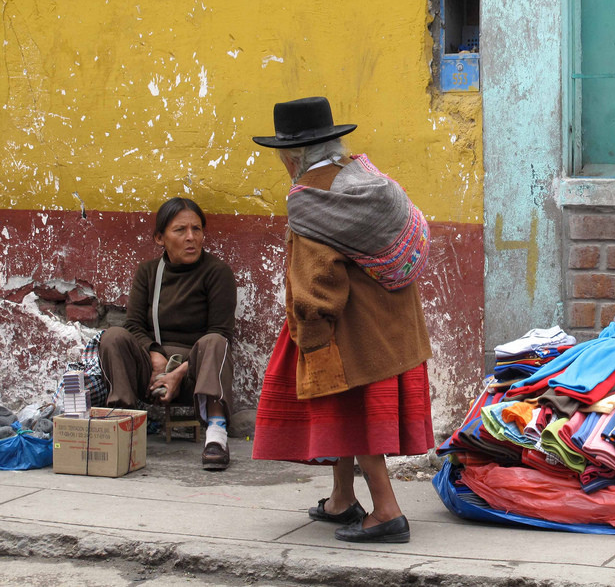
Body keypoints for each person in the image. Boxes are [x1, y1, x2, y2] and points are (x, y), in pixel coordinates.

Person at [251, 96, 434, 545]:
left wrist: (313, 340)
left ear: (291, 156)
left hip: (354, 332)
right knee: (344, 416)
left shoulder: (309, 199)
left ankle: (387, 511)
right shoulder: (363, 178)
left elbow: (316, 281)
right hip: (396, 326)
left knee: (354, 418)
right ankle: (340, 499)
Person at [98, 197, 237, 471]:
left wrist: (177, 373)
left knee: (216, 341)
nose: (191, 238)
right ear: (160, 238)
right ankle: (121, 423)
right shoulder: (148, 273)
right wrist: (154, 356)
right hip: (151, 372)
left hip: (195, 375)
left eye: (197, 229)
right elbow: (133, 325)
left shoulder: (216, 273)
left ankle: (216, 436)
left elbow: (221, 332)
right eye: (180, 230)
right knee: (113, 336)